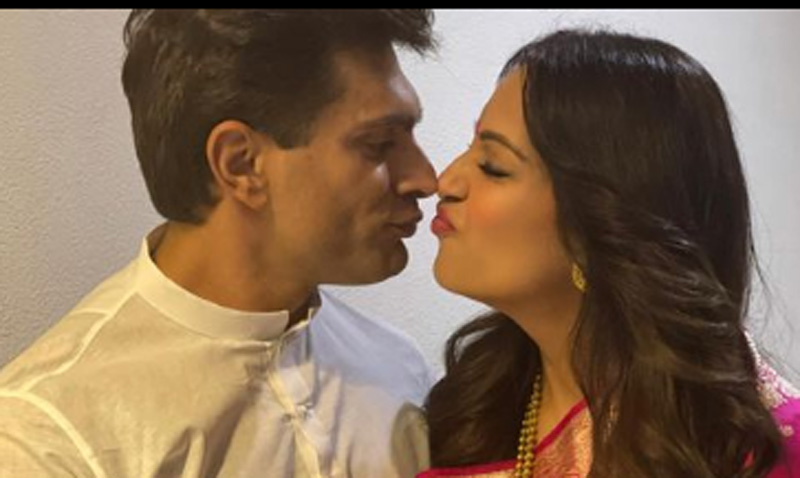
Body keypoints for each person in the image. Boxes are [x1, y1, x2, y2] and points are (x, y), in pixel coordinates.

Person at [0, 9, 439, 478]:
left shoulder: (399, 370)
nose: (426, 179)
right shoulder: (50, 435)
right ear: (241, 164)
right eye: (378, 144)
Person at [420, 29, 800, 478]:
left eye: (493, 167)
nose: (446, 181)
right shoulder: (471, 412)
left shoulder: (756, 450)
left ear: (602, 222)